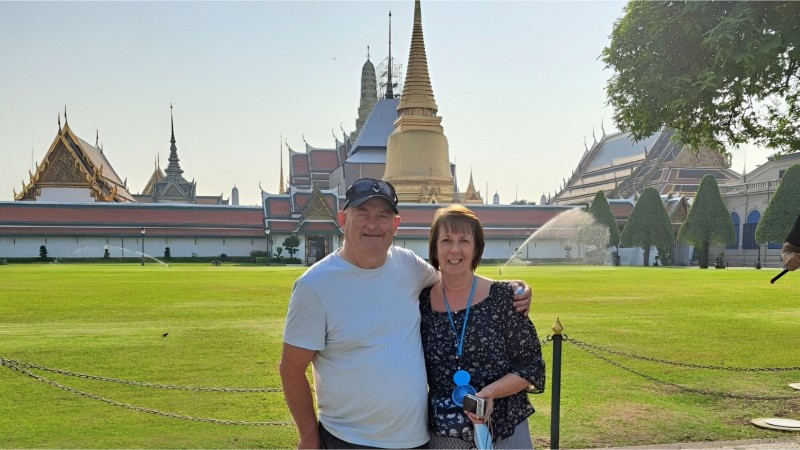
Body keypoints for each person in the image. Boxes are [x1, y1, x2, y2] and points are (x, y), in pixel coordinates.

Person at [279, 178, 532, 449]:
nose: (372, 224)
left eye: (382, 216)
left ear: (396, 224)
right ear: (342, 219)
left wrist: (507, 290)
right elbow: (291, 370)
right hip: (350, 438)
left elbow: (454, 281)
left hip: (416, 439)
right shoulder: (314, 286)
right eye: (362, 214)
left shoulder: (408, 265)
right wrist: (308, 439)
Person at [420, 204, 545, 449]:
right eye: (446, 240)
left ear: (476, 248)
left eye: (464, 241)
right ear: (435, 248)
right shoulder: (421, 302)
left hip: (504, 429)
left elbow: (531, 366)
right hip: (445, 434)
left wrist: (490, 393)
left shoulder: (503, 298)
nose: (455, 249)